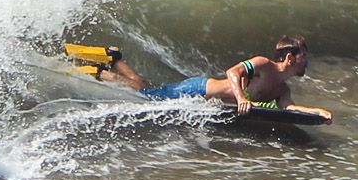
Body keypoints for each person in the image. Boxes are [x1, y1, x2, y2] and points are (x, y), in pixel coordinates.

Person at [141, 34, 332, 123]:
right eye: (303, 56)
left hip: (206, 104)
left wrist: (316, 112)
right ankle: (114, 66)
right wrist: (242, 98)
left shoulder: (282, 89)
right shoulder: (264, 64)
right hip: (198, 90)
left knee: (147, 94)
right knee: (144, 94)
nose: (306, 61)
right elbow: (233, 72)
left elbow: (289, 108)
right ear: (290, 58)